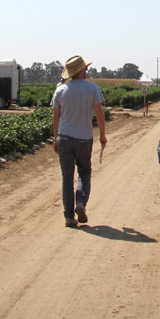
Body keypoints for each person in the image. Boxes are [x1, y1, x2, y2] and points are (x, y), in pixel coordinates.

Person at [52, 55, 107, 228]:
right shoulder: (92, 88)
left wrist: (55, 138)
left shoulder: (61, 90)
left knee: (66, 177)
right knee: (84, 172)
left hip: (65, 138)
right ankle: (81, 203)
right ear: (82, 71)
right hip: (84, 138)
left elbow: (55, 117)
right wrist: (103, 135)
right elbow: (99, 113)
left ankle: (69, 217)